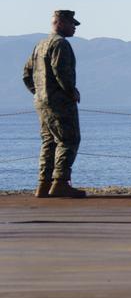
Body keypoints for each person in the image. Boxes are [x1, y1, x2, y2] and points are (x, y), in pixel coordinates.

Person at [22, 10, 86, 198]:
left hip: (42, 102)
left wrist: (39, 93)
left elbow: (26, 74)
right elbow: (61, 72)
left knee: (49, 142)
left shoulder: (40, 45)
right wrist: (70, 91)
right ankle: (60, 182)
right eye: (71, 23)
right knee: (68, 139)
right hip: (59, 102)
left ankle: (43, 184)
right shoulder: (60, 44)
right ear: (60, 23)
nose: (74, 27)